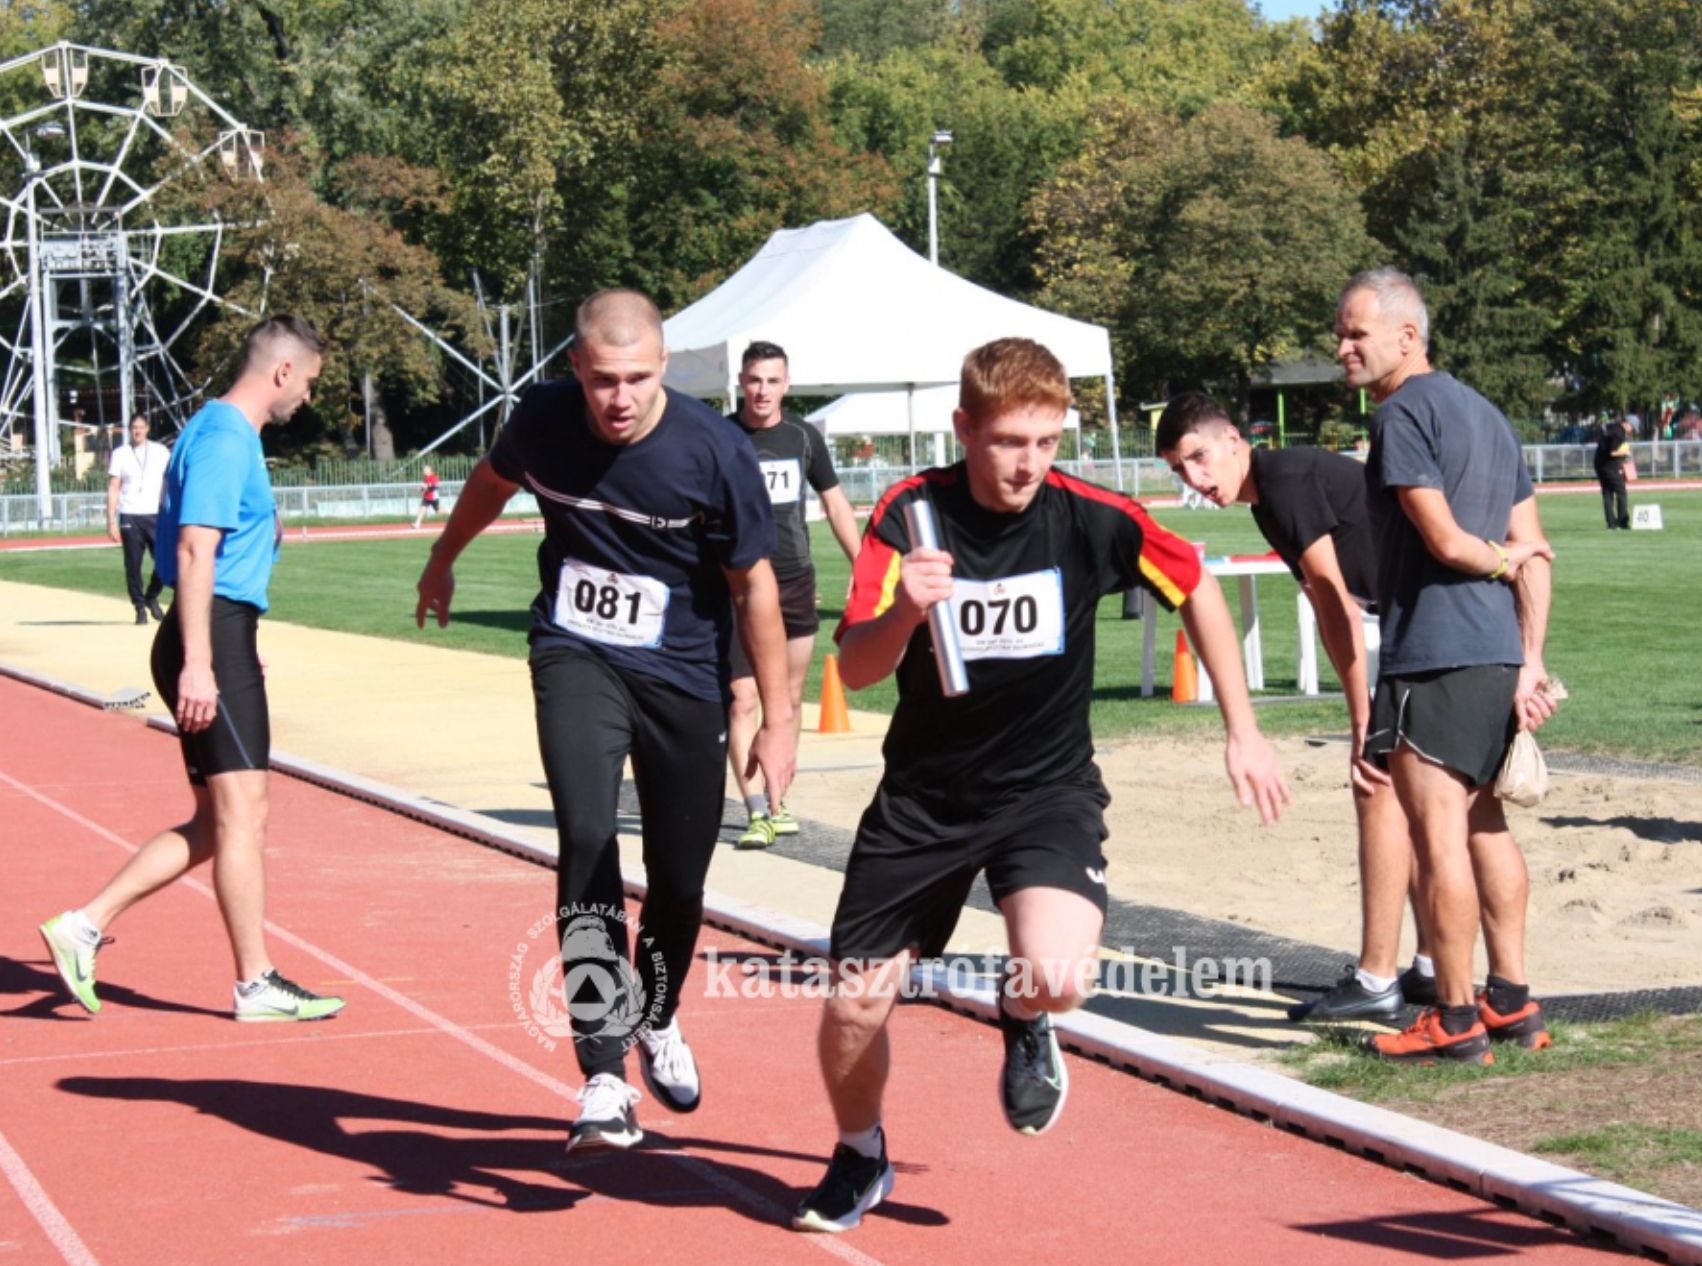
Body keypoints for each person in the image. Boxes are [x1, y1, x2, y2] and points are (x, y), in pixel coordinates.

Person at [792, 338, 1290, 1234]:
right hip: (924, 801)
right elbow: (858, 669)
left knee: (1059, 973)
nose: (1027, 464)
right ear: (964, 429)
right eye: (1008, 441)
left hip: (1044, 791)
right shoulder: (908, 518)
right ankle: (861, 1154)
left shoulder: (1090, 516)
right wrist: (908, 606)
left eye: (1047, 441)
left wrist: (1242, 731)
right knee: (853, 1004)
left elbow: (1199, 590)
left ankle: (1022, 1013)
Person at [414, 289, 797, 1152]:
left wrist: (778, 718)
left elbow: (755, 587)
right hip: (575, 653)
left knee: (680, 878)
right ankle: (600, 1074)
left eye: (636, 378)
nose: (618, 398)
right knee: (587, 838)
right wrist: (444, 558)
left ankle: (655, 1015)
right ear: (575, 371)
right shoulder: (543, 420)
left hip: (684, 676)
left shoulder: (714, 450)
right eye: (601, 380)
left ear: (664, 368)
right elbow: (490, 481)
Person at [39, 316, 344, 1023]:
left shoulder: (219, 433)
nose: (307, 399)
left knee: (217, 822)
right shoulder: (224, 438)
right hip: (210, 638)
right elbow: (193, 553)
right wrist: (204, 661)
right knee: (245, 817)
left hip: (222, 631)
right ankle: (254, 981)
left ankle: (82, 928)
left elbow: (220, 558)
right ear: (282, 373)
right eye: (309, 384)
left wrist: (228, 639)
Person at [1156, 392, 1437, 1022]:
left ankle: (1377, 978)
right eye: (1180, 471)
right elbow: (1325, 601)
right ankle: (1428, 965)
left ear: (1233, 438)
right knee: (1407, 791)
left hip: (1435, 621)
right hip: (1420, 622)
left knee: (1378, 786)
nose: (1197, 480)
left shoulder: (1282, 481)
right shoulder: (1269, 496)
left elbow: (1334, 599)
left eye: (1200, 458)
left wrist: (1362, 715)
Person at [1339, 267, 1560, 1066]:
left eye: (1356, 333)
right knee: (1485, 824)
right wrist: (1529, 659)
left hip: (1435, 648)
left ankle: (1457, 1017)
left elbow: (1450, 542)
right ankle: (1513, 999)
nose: (1342, 348)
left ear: (1407, 336)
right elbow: (1539, 553)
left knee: (1440, 837)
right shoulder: (1490, 416)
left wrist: (1497, 564)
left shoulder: (1401, 415)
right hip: (1495, 651)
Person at [725, 341, 862, 849]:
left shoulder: (802, 437)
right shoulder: (722, 435)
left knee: (787, 700)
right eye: (754, 380)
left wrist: (862, 564)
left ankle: (779, 800)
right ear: (742, 382)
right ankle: (755, 808)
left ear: (787, 384)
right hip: (738, 584)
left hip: (794, 582)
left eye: (772, 380)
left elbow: (836, 503)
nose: (762, 390)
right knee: (743, 699)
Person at [106, 412, 169, 625]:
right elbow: (113, 488)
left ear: (148, 429)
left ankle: (152, 596)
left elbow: (170, 482)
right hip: (130, 515)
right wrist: (111, 521)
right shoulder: (120, 454)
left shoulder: (161, 452)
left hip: (155, 514)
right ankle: (139, 606)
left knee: (164, 562)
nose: (137, 431)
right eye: (134, 427)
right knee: (132, 565)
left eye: (141, 427)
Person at [1593, 421, 1631, 529]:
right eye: (1632, 427)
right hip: (1608, 466)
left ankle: (1611, 523)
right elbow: (1613, 452)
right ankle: (1622, 521)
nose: (1631, 431)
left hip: (1599, 462)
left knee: (1607, 493)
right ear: (1627, 424)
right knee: (1621, 491)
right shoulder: (1619, 433)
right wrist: (1625, 453)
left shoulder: (1612, 428)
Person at [411, 463, 441, 529]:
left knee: (438, 511)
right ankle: (417, 524)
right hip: (426, 497)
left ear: (429, 470)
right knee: (422, 509)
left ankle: (451, 512)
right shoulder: (425, 478)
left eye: (426, 469)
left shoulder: (434, 477)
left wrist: (427, 485)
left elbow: (435, 486)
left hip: (433, 498)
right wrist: (420, 489)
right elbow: (425, 487)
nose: (424, 471)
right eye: (424, 470)